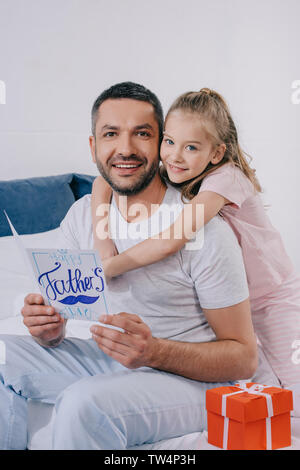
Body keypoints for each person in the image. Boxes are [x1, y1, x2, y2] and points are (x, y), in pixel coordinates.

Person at [0, 82, 258, 450]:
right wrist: (48, 329)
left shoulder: (201, 231)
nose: (125, 148)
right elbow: (64, 315)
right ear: (93, 147)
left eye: (142, 134)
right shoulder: (81, 216)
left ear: (161, 143)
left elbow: (244, 358)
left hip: (190, 383)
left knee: (82, 405)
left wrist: (155, 352)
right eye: (110, 134)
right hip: (108, 361)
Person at [92, 87, 300, 391]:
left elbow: (172, 239)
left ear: (215, 153)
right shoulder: (183, 169)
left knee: (293, 382)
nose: (175, 156)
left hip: (273, 297)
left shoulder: (226, 178)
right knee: (264, 382)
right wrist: (103, 243)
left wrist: (108, 267)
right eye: (169, 142)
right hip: (238, 299)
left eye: (191, 147)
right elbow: (101, 183)